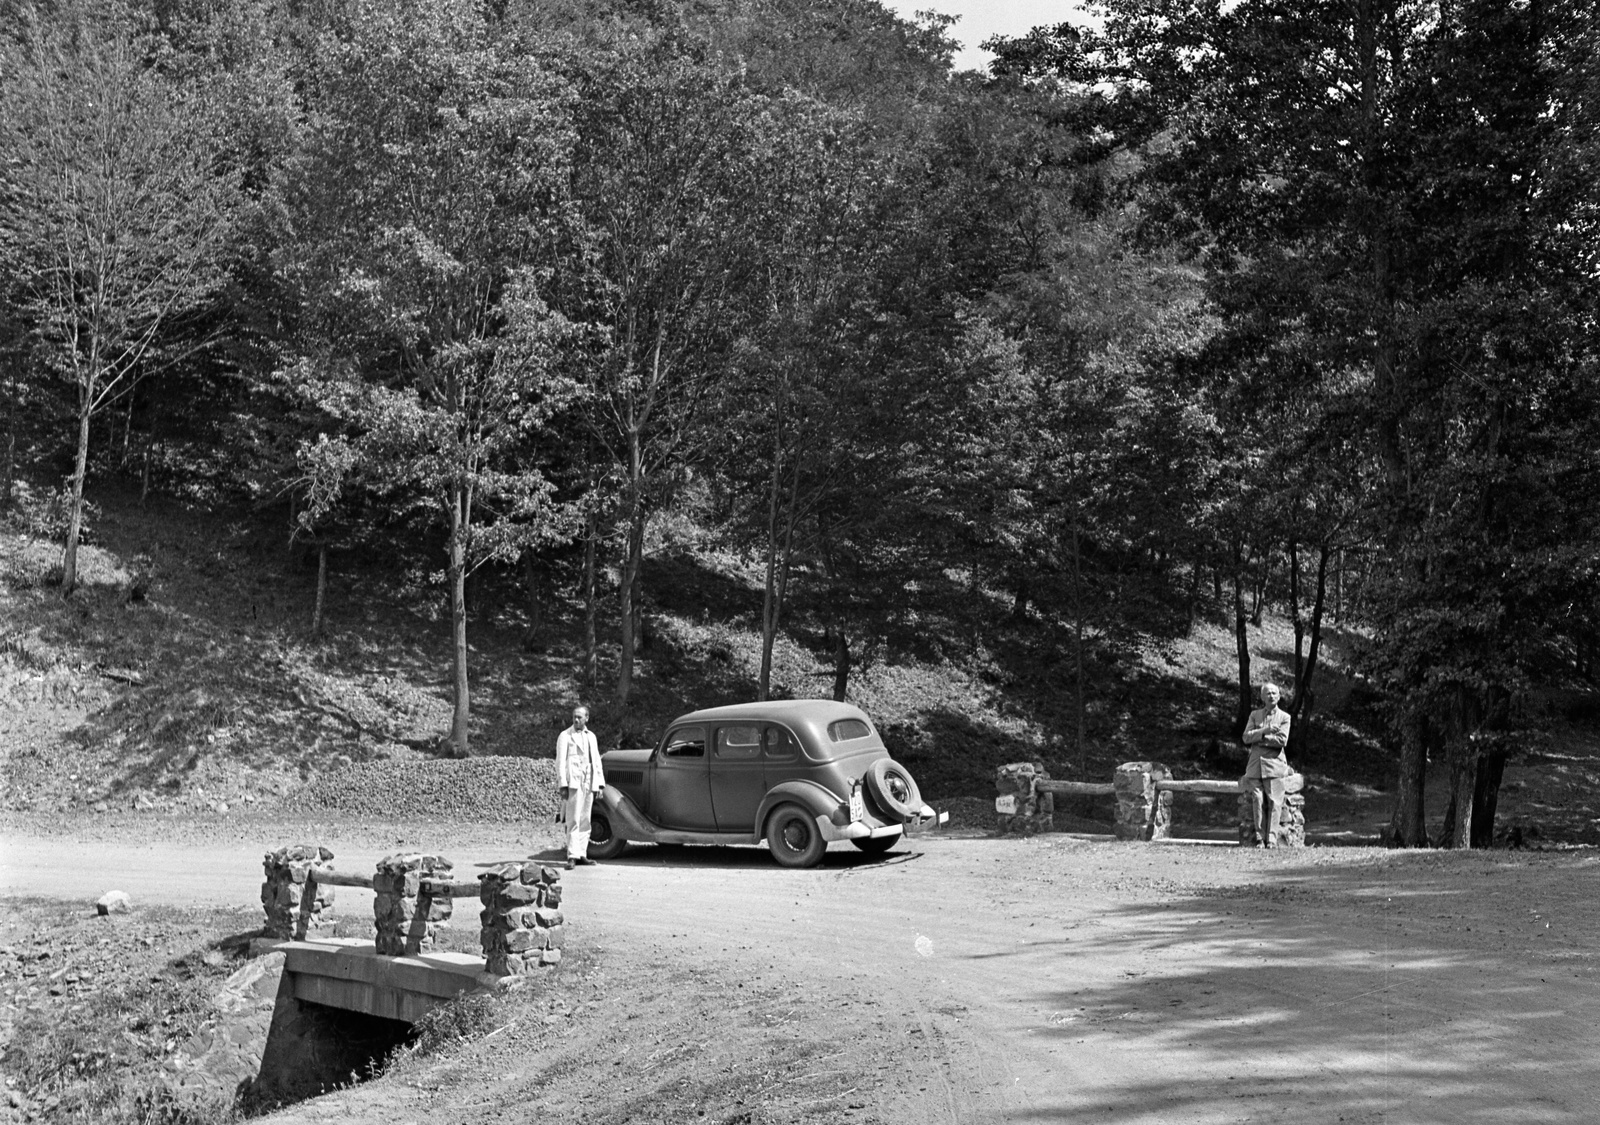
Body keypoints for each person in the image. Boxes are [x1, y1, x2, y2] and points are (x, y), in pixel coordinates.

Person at [1241, 682, 1292, 848]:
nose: (1271, 696)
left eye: (1274, 693)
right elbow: (1246, 738)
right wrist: (1265, 731)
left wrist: (1260, 739)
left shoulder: (1285, 717)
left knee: (1275, 802)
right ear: (1262, 697)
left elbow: (1282, 740)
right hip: (1255, 766)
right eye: (1268, 693)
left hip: (1274, 766)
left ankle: (1271, 839)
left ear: (1279, 696)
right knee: (1257, 799)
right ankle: (1259, 838)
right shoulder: (1255, 715)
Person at [556, 705, 605, 868]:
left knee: (585, 819)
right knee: (573, 819)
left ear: (587, 718)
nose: (576, 720)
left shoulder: (591, 736)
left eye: (580, 717)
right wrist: (563, 784)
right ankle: (572, 855)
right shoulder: (565, 736)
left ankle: (582, 853)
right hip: (573, 782)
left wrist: (599, 784)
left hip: (588, 781)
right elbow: (560, 762)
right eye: (574, 717)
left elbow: (596, 760)